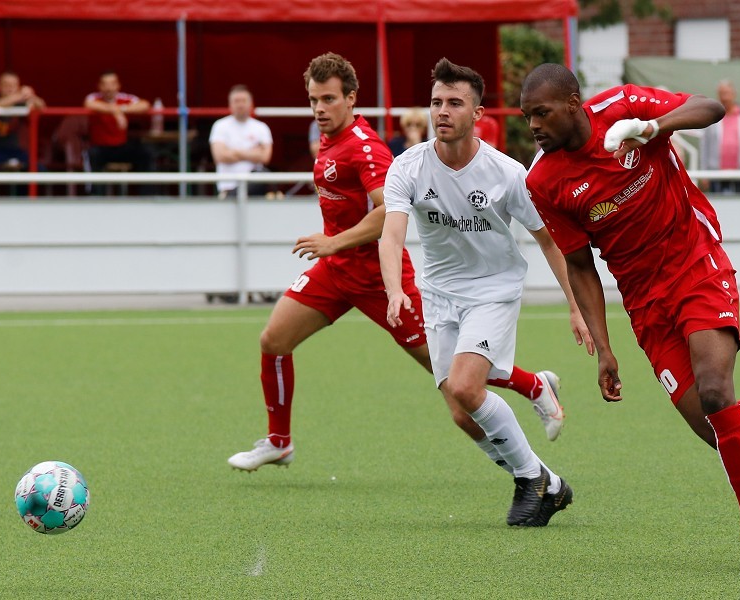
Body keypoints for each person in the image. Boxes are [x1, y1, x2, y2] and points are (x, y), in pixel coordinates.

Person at [520, 64, 740, 571]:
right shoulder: (542, 181)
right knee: (717, 430)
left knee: (717, 391)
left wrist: (655, 127)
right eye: (527, 117)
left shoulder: (624, 107)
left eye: (541, 113)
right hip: (644, 301)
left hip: (695, 261)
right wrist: (604, 346)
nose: (533, 126)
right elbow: (580, 263)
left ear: (572, 102)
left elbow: (711, 107)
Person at [227, 53, 577, 480]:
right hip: (336, 272)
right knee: (273, 340)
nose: (319, 108)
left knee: (455, 384)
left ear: (351, 98)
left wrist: (335, 242)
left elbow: (384, 215)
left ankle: (534, 391)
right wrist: (334, 250)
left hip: (377, 278)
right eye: (313, 99)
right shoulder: (328, 137)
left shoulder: (366, 149)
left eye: (329, 99)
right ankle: (279, 442)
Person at [380, 58, 591, 527]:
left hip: (493, 290)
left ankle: (533, 480)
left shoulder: (507, 173)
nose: (442, 111)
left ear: (478, 114)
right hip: (436, 294)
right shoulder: (407, 167)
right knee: (460, 412)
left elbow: (550, 241)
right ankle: (546, 482)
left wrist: (576, 308)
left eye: (455, 103)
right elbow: (391, 235)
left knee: (466, 386)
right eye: (436, 102)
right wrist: (395, 290)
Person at [83, 70, 151, 190]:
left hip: (121, 146)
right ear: (99, 86)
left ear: (118, 85)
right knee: (92, 154)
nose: (109, 88)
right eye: (105, 84)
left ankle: (148, 196)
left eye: (112, 84)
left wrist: (121, 109)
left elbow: (145, 104)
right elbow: (89, 104)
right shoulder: (94, 97)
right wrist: (115, 112)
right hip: (100, 147)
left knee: (146, 153)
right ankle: (96, 198)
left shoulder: (124, 98)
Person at [209, 84, 273, 199]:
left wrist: (232, 152)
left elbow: (265, 157)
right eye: (236, 101)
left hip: (256, 192)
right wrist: (252, 153)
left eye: (243, 100)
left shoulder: (261, 127)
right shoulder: (220, 126)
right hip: (227, 189)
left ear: (250, 103)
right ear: (230, 104)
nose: (240, 104)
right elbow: (219, 156)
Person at [699, 79, 740, 194]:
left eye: (727, 93)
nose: (724, 97)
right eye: (721, 94)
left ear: (734, 94)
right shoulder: (711, 116)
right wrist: (703, 172)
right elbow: (705, 145)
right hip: (717, 174)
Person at [0, 71, 45, 171]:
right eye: (6, 84)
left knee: (40, 170)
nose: (10, 88)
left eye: (13, 85)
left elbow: (41, 106)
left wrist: (31, 95)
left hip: (18, 151)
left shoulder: (21, 102)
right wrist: (19, 95)